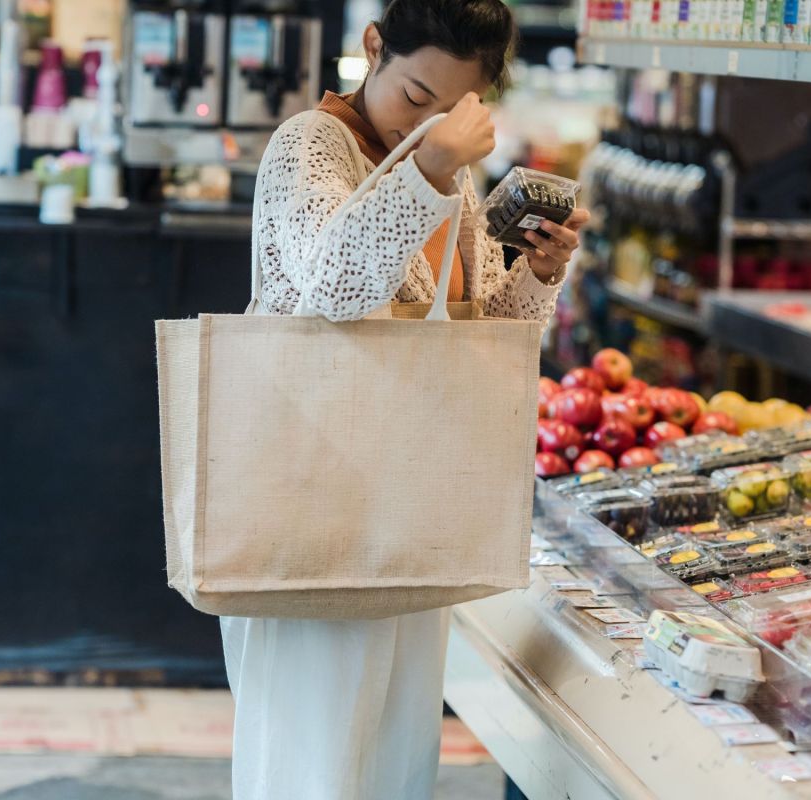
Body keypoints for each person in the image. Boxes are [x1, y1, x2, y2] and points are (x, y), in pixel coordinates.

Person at [220, 1, 590, 797]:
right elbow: (334, 288)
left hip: (411, 512)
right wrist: (429, 171)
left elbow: (492, 339)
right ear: (374, 47)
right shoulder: (310, 145)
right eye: (414, 98)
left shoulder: (456, 182)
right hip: (313, 510)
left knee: (394, 758)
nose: (425, 127)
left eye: (450, 111)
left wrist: (542, 271)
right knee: (313, 761)